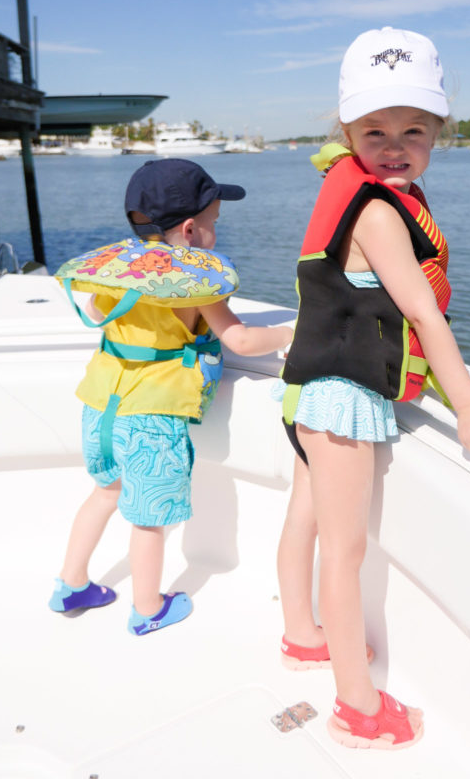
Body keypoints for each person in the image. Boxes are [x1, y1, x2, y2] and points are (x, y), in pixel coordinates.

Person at [275, 27, 470, 749]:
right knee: (344, 552)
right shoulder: (377, 212)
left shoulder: (357, 194)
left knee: (305, 522)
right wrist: (468, 403)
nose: (395, 144)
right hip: (343, 397)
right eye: (374, 130)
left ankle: (301, 635)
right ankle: (356, 705)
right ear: (345, 130)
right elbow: (420, 313)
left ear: (439, 132)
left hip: (309, 390)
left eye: (414, 129)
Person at [49, 159, 293, 636]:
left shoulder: (112, 272)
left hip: (100, 406)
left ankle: (71, 583)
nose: (214, 231)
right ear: (190, 228)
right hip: (152, 417)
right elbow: (240, 341)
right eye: (213, 222)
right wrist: (293, 331)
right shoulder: (190, 283)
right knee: (148, 519)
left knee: (104, 492)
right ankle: (147, 607)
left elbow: (101, 312)